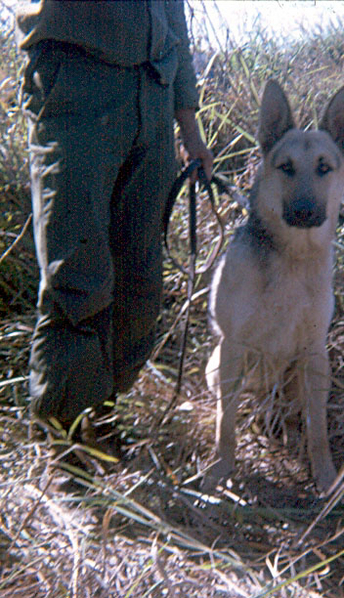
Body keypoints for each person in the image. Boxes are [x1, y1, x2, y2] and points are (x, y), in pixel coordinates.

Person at [16, 1, 213, 446]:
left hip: (153, 96)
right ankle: (62, 449)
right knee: (79, 280)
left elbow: (174, 16)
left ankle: (101, 422)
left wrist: (188, 124)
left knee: (140, 284)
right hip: (76, 82)